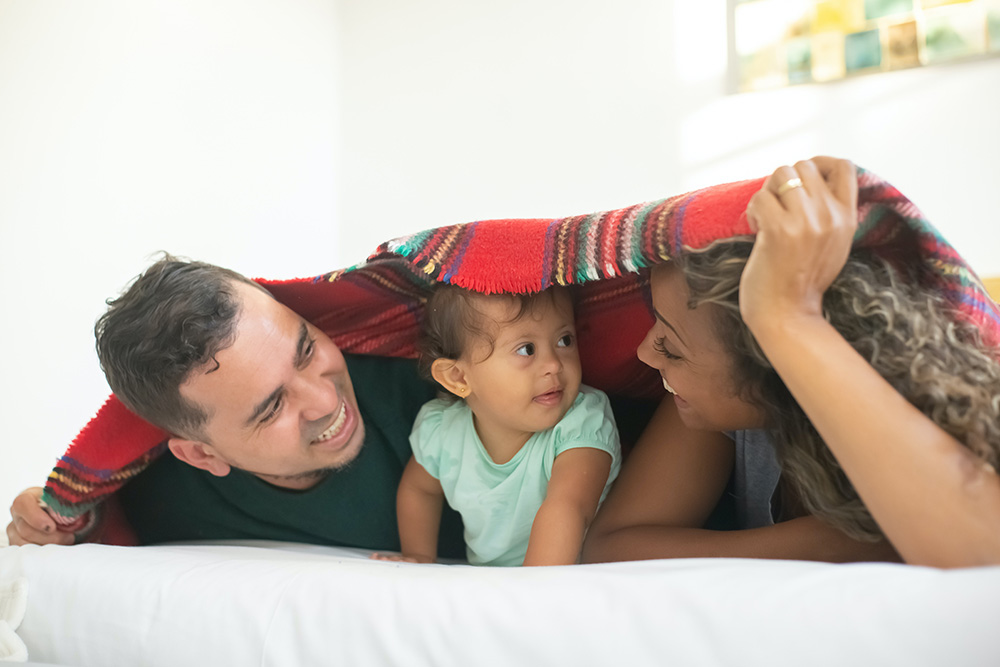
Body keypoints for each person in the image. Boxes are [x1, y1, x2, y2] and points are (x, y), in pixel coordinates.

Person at [582, 157, 1000, 569]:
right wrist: (835, 545)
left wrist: (786, 315)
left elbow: (984, 553)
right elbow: (610, 548)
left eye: (672, 346)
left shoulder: (935, 413)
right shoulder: (719, 409)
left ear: (771, 368)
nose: (644, 353)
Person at [6, 256, 466, 555]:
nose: (326, 401)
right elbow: (89, 528)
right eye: (270, 408)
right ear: (203, 454)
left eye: (306, 350)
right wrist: (63, 524)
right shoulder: (163, 503)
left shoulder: (444, 380)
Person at [372, 285, 621, 566]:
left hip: (568, 583)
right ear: (458, 378)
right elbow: (419, 489)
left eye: (564, 340)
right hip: (493, 586)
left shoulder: (582, 422)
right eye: (526, 349)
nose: (553, 364)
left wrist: (527, 594)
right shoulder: (443, 431)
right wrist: (418, 555)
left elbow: (568, 508)